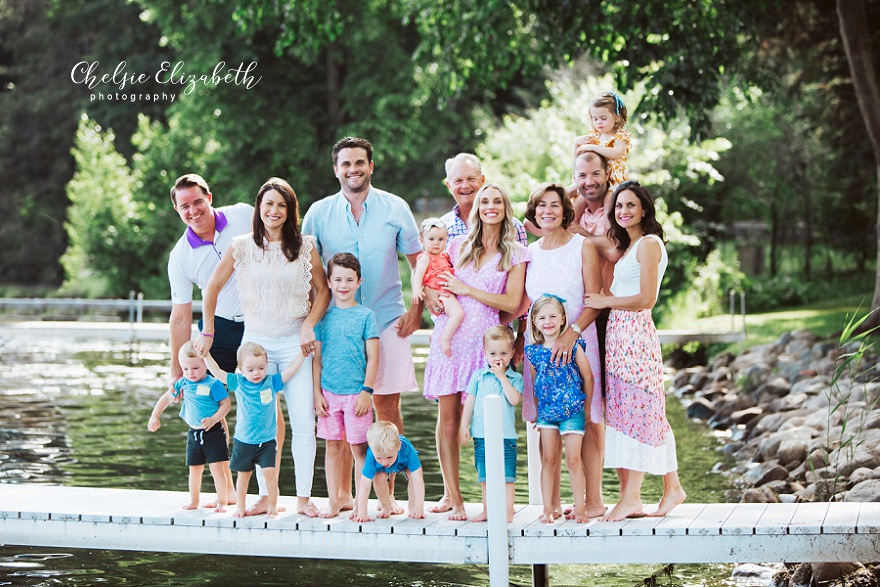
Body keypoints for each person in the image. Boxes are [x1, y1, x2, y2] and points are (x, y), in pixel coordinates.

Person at [195, 177, 331, 518]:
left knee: (302, 422)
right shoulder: (241, 246)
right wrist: (208, 330)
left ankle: (303, 498)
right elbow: (211, 288)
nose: (274, 211)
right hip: (255, 347)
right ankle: (265, 497)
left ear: (290, 211)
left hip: (295, 344)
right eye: (268, 204)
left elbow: (324, 290)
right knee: (257, 424)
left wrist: (309, 324)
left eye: (282, 205)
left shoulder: (305, 246)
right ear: (259, 208)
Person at [302, 137, 421, 435]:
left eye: (359, 162)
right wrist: (308, 324)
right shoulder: (317, 214)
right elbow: (306, 276)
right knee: (339, 413)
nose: (352, 169)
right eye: (346, 164)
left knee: (388, 409)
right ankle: (344, 486)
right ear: (336, 169)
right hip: (336, 328)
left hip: (387, 321)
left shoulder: (396, 208)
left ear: (370, 166)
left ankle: (387, 481)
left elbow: (420, 264)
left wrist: (417, 311)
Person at [423, 183, 528, 521]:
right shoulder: (456, 245)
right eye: (485, 201)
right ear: (477, 207)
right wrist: (430, 298)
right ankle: (454, 499)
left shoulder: (515, 252)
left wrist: (467, 289)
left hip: (488, 345)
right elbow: (432, 280)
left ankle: (494, 502)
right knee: (449, 422)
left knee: (489, 423)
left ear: (505, 207)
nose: (490, 206)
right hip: (450, 342)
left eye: (497, 201)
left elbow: (512, 303)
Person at [584, 180, 687, 521]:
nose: (624, 211)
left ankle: (631, 498)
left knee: (636, 411)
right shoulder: (629, 247)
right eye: (618, 207)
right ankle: (672, 487)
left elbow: (646, 299)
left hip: (635, 334)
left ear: (644, 208)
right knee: (644, 410)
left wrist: (604, 300)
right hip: (620, 334)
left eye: (630, 205)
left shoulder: (649, 245)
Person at [520, 182, 606, 519]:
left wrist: (573, 332)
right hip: (539, 348)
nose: (548, 211)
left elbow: (594, 300)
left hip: (580, 341)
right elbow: (527, 306)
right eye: (541, 206)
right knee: (547, 424)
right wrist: (519, 341)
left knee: (587, 419)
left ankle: (593, 500)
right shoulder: (531, 252)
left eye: (554, 205)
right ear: (533, 211)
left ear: (565, 209)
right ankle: (551, 504)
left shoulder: (582, 247)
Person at [167, 172, 251, 501]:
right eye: (184, 206)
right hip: (218, 328)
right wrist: (176, 367)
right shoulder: (180, 256)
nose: (193, 210)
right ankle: (226, 490)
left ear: (210, 198)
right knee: (217, 404)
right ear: (177, 210)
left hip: (261, 321)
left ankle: (264, 485)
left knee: (262, 402)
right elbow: (180, 316)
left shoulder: (244, 214)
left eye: (197, 201)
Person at [203, 343, 305, 518]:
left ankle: (272, 504)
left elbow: (289, 372)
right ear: (241, 369)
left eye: (261, 368)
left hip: (266, 440)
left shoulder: (271, 382)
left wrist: (302, 355)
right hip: (244, 440)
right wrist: (205, 355)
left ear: (266, 365)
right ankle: (240, 507)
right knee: (244, 476)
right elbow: (218, 372)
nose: (256, 373)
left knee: (269, 473)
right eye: (250, 370)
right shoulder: (238, 382)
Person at [313, 253, 379, 519]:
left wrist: (367, 391)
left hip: (356, 396)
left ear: (358, 282)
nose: (343, 285)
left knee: (359, 448)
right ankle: (334, 501)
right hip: (329, 394)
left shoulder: (366, 316)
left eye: (349, 279)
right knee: (332, 447)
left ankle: (361, 503)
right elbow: (316, 360)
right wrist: (316, 393)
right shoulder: (323, 319)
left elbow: (373, 356)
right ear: (328, 282)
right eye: (338, 279)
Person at [525, 295, 594, 523]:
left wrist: (587, 408)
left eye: (553, 316)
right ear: (534, 321)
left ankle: (581, 509)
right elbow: (536, 384)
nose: (548, 321)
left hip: (573, 410)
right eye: (542, 317)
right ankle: (548, 510)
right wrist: (536, 412)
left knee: (573, 460)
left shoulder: (573, 346)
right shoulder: (533, 352)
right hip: (546, 414)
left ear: (563, 319)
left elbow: (588, 377)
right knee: (548, 460)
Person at [148, 341, 232, 512]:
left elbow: (226, 404)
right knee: (194, 468)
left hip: (213, 432)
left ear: (204, 364)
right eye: (185, 369)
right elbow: (166, 398)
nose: (190, 373)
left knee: (217, 468)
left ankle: (222, 501)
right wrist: (154, 416)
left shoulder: (213, 384)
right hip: (194, 434)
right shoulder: (183, 383)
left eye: (195, 368)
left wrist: (214, 419)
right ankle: (194, 500)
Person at [459, 325, 522, 523]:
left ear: (512, 354)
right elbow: (469, 401)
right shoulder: (478, 376)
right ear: (485, 353)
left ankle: (508, 511)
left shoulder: (515, 378)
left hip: (505, 436)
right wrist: (463, 425)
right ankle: (487, 510)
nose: (498, 358)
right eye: (493, 353)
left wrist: (502, 377)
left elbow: (514, 400)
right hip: (482, 434)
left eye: (503, 353)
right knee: (485, 476)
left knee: (507, 477)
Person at [352, 421, 426, 522]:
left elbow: (418, 479)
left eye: (389, 457)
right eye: (379, 458)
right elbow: (364, 485)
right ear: (372, 450)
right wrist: (362, 513)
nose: (384, 462)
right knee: (378, 477)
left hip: (403, 463)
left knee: (413, 477)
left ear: (399, 446)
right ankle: (386, 506)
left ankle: (413, 507)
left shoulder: (408, 450)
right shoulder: (371, 456)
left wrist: (419, 506)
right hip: (382, 470)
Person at [411, 218, 465, 356]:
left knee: (448, 317)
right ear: (421, 240)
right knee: (458, 314)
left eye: (441, 239)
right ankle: (444, 338)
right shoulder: (425, 258)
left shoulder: (445, 257)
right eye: (432, 239)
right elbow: (418, 274)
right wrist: (417, 289)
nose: (436, 243)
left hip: (447, 292)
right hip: (440, 293)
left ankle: (436, 335)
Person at [573, 91, 632, 187]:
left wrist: (593, 148)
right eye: (595, 119)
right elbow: (578, 160)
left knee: (609, 199)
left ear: (616, 117)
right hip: (594, 180)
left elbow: (616, 153)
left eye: (603, 118)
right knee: (578, 199)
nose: (599, 122)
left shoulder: (620, 136)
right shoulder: (594, 136)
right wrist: (576, 143)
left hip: (614, 181)